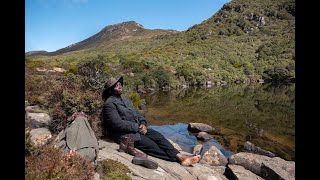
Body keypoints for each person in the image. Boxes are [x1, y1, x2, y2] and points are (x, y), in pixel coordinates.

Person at [101, 76, 201, 167]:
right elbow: (117, 124)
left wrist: (143, 123)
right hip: (126, 135)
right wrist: (137, 127)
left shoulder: (126, 99)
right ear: (110, 90)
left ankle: (180, 155)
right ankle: (179, 159)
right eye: (115, 85)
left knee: (159, 137)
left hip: (138, 129)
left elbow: (137, 113)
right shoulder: (109, 104)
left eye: (119, 84)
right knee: (152, 145)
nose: (119, 86)